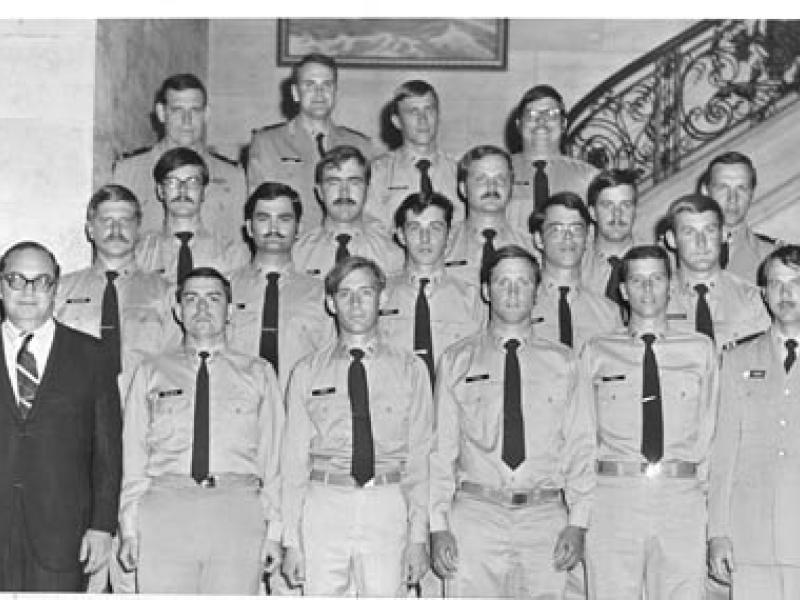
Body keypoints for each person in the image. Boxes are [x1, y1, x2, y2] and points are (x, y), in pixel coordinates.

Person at [429, 244, 595, 599]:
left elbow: (581, 446)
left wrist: (578, 522)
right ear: (487, 291)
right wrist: (438, 524)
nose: (514, 291)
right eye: (503, 282)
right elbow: (441, 450)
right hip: (476, 515)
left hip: (544, 517)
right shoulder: (457, 360)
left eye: (523, 282)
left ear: (537, 290)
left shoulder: (564, 363)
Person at [118, 267, 283, 594]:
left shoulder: (259, 373)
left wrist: (275, 532)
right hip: (166, 510)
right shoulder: (151, 372)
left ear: (230, 310)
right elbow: (134, 456)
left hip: (237, 510)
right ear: (178, 311)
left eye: (214, 299)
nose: (203, 308)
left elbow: (273, 459)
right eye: (191, 299)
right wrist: (130, 529)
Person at [281, 256, 432, 596]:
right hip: (324, 502)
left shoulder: (410, 369)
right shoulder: (306, 372)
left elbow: (421, 459)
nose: (355, 303)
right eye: (345, 294)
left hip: (387, 501)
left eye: (365, 292)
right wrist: (292, 539)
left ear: (383, 298)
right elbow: (293, 463)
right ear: (330, 303)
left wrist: (418, 536)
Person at [581, 244, 719, 599]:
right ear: (623, 290)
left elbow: (710, 427)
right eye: (637, 280)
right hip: (613, 495)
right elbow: (581, 433)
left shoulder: (700, 349)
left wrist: (701, 497)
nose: (647, 289)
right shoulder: (597, 351)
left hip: (681, 496)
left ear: (670, 285)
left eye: (656, 279)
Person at [0, 241, 121, 591]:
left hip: (63, 535)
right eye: (16, 280)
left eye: (41, 281)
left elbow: (108, 452)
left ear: (56, 286)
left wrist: (102, 526)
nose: (28, 291)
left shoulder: (93, 356)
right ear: (0, 286)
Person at [708, 244, 800, 599]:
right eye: (776, 284)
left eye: (795, 282)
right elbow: (724, 454)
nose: (785, 293)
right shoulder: (737, 360)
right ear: (763, 294)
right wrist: (718, 532)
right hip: (753, 539)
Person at [55, 184, 173, 379]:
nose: (116, 229)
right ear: (90, 230)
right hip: (79, 405)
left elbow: (175, 362)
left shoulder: (165, 292)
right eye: (106, 221)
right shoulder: (61, 290)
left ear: (138, 230)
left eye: (125, 221)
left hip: (142, 402)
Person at [112, 73, 246, 243]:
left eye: (195, 111)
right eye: (177, 111)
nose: (187, 121)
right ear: (161, 113)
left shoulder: (232, 177)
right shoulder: (128, 173)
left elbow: (239, 246)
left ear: (206, 114)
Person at [248, 53, 374, 231]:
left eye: (327, 85)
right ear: (295, 93)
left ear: (336, 92)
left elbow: (369, 211)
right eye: (310, 85)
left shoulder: (360, 145)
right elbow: (257, 210)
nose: (319, 93)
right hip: (292, 249)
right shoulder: (268, 143)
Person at [229, 181, 334, 394]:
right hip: (237, 407)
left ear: (299, 229)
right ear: (249, 228)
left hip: (299, 408)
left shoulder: (321, 293)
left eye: (284, 219)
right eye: (263, 219)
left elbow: (330, 361)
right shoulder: (224, 290)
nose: (273, 228)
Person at [380, 191, 484, 390]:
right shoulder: (380, 296)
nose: (425, 238)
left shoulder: (473, 298)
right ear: (400, 235)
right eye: (414, 228)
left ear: (449, 236)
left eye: (435, 228)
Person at [662, 193, 770, 348]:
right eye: (689, 232)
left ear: (724, 234)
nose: (701, 242)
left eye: (709, 230)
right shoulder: (654, 299)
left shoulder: (754, 300)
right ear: (671, 239)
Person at [136, 147, 249, 285]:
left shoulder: (232, 254)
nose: (182, 190)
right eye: (172, 182)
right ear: (160, 191)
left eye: (193, 182)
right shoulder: (140, 252)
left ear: (204, 192)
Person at [292, 145, 404, 278]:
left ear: (367, 190)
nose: (344, 192)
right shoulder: (297, 254)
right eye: (334, 182)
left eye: (354, 182)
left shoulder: (392, 255)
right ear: (320, 192)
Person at [366, 80, 463, 232]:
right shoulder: (378, 173)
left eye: (429, 110)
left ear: (439, 116)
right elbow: (373, 231)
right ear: (397, 121)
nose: (423, 119)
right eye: (413, 112)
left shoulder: (459, 172)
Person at [529, 192, 622, 351]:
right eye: (556, 229)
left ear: (587, 237)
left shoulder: (608, 313)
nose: (568, 237)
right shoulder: (519, 305)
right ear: (539, 240)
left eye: (576, 229)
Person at [506, 85, 599, 232]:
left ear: (563, 124)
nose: (541, 121)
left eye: (551, 114)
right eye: (532, 115)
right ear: (519, 124)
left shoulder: (588, 177)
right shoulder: (500, 171)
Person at [444, 145, 534, 287]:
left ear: (511, 187)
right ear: (463, 189)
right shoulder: (444, 244)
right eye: (481, 179)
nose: (492, 186)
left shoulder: (531, 248)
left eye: (500, 179)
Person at [697, 151, 778, 283]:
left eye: (741, 188)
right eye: (723, 188)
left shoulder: (772, 257)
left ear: (752, 193)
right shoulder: (674, 253)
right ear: (705, 191)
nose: (732, 199)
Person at [582, 169, 640, 313]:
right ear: (592, 213)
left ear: (635, 211)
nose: (617, 214)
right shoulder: (577, 265)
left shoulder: (660, 261)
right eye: (608, 205)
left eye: (626, 205)